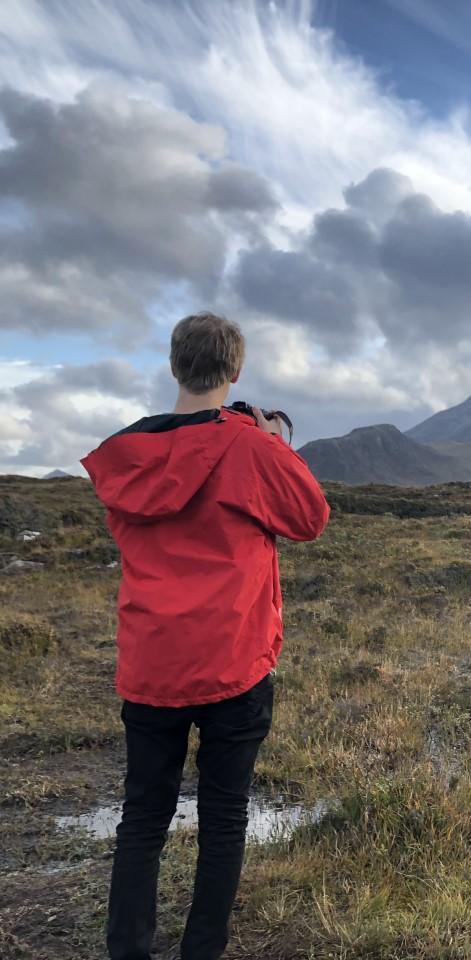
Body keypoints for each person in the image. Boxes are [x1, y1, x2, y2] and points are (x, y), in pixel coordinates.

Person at [81, 312, 330, 960]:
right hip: (233, 662)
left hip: (152, 663)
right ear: (236, 371)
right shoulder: (249, 449)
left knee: (143, 817)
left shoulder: (127, 454)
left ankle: (127, 950)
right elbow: (310, 517)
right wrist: (272, 443)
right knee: (223, 816)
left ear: (174, 365)